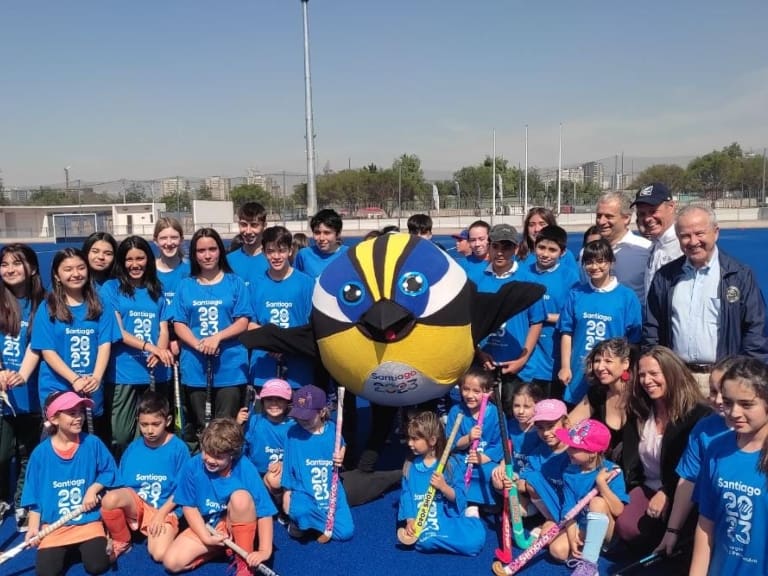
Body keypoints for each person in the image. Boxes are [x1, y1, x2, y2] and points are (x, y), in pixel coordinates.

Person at [644, 204, 768, 393]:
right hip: (678, 381)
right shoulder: (665, 277)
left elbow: (755, 331)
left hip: (724, 382)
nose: (693, 241)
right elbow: (652, 329)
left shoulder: (739, 275)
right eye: (685, 235)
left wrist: (744, 379)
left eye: (700, 233)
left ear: (715, 232)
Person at [614, 346, 711, 552]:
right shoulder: (639, 410)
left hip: (682, 488)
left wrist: (667, 492)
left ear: (671, 373)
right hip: (648, 484)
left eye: (654, 374)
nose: (647, 381)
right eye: (642, 375)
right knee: (628, 528)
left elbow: (696, 469)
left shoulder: (698, 415)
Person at [21, 391, 118, 576]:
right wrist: (34, 527)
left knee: (98, 565)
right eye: (72, 413)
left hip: (87, 522)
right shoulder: (40, 454)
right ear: (55, 419)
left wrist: (94, 488)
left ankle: (100, 538)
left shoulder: (93, 443)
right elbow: (34, 495)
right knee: (46, 572)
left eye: (80, 412)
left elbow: (110, 471)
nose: (79, 418)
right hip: (55, 526)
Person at [162, 418, 276, 576]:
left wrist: (264, 551)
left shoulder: (245, 467)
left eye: (218, 456)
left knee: (241, 498)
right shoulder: (192, 466)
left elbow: (264, 511)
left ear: (232, 455)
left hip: (235, 520)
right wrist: (205, 537)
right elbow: (189, 506)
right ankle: (223, 548)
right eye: (207, 452)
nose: (210, 459)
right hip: (208, 526)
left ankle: (244, 563)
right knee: (172, 563)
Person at [171, 228, 251, 443]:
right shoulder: (185, 285)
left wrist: (217, 338)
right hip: (195, 366)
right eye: (201, 250)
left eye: (212, 249)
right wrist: (198, 344)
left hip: (230, 367)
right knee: (202, 427)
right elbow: (179, 323)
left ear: (220, 251)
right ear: (194, 254)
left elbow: (243, 320)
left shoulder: (235, 282)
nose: (207, 255)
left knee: (225, 426)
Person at [689, 358, 768, 576]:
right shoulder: (717, 449)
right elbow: (706, 525)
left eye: (746, 404)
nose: (734, 412)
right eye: (729, 402)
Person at [655, 355, 737, 556]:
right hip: (708, 517)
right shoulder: (704, 428)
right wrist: (672, 530)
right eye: (713, 391)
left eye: (725, 394)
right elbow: (689, 478)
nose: (718, 400)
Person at [31, 248, 117, 441]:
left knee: (88, 443)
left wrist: (96, 377)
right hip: (57, 387)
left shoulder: (101, 304)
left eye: (80, 268)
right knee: (58, 444)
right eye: (68, 269)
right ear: (57, 275)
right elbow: (48, 351)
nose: (76, 274)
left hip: (90, 388)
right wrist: (74, 379)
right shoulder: (47, 307)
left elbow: (104, 344)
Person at [102, 236, 175, 456]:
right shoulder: (111, 288)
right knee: (122, 434)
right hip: (124, 372)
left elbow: (163, 329)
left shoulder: (156, 289)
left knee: (152, 431)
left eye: (140, 258)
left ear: (148, 259)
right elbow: (119, 331)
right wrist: (151, 348)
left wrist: (160, 351)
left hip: (155, 373)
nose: (135, 264)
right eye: (129, 259)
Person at [100, 391, 190, 563]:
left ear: (168, 421)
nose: (149, 430)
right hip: (138, 507)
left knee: (159, 554)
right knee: (110, 499)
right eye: (144, 424)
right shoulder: (133, 448)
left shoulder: (179, 449)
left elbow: (183, 490)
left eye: (156, 424)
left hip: (165, 510)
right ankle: (122, 539)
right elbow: (122, 488)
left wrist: (160, 515)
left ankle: (172, 534)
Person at [557, 239, 642, 406]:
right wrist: (565, 366)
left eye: (600, 261)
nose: (595, 267)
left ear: (611, 262)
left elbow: (633, 341)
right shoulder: (576, 293)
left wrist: (627, 372)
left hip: (611, 372)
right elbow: (567, 332)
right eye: (589, 262)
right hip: (579, 372)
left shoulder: (627, 296)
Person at [474, 224, 546, 412]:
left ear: (515, 248)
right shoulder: (476, 280)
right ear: (489, 246)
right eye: (496, 246)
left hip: (519, 370)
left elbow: (536, 322)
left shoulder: (529, 281)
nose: (500, 252)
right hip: (485, 366)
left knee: (517, 423)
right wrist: (479, 353)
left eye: (506, 247)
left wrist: (522, 359)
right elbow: (469, 323)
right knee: (486, 424)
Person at [547, 419, 628, 576]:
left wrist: (601, 484)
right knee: (557, 551)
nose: (568, 450)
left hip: (607, 533)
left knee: (597, 502)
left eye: (575, 448)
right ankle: (586, 550)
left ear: (592, 453)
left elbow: (618, 510)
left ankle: (589, 565)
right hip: (582, 527)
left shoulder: (613, 471)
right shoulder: (569, 472)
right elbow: (569, 509)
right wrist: (571, 536)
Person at [0, 244, 44, 530]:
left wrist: (23, 374)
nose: (10, 269)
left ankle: (22, 502)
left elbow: (41, 345)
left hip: (34, 393)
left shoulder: (46, 303)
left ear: (32, 269)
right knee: (3, 452)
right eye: (4, 264)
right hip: (4, 392)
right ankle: (3, 497)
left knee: (29, 450)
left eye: (17, 263)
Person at [398, 411, 485, 556]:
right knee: (424, 542)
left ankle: (472, 518)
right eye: (409, 438)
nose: (409, 443)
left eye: (414, 439)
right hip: (423, 520)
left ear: (432, 441)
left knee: (474, 544)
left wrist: (444, 487)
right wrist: (410, 520)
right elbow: (406, 496)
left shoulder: (450, 465)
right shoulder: (410, 466)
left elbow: (460, 496)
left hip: (445, 517)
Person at [281, 385, 354, 541]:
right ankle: (301, 521)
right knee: (300, 510)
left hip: (331, 491)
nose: (301, 420)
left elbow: (342, 445)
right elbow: (288, 465)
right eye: (299, 416)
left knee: (346, 533)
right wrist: (287, 493)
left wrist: (341, 454)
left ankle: (311, 523)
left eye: (307, 417)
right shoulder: (293, 433)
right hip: (304, 492)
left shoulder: (333, 429)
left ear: (322, 412)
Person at [248, 226, 314, 389]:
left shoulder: (306, 283)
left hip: (298, 372)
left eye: (281, 251)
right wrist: (271, 344)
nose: (276, 256)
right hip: (264, 370)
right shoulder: (255, 284)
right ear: (264, 252)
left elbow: (311, 325)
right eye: (270, 251)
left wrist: (286, 345)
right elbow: (249, 323)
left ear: (290, 251)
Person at [522, 225, 580, 398]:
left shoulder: (569, 277)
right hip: (527, 354)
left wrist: (543, 316)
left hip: (553, 353)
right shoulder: (523, 272)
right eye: (541, 248)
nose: (545, 254)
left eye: (552, 250)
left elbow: (573, 317)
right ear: (534, 247)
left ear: (562, 253)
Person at [492, 399, 572, 523]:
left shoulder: (577, 451)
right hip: (554, 504)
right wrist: (512, 480)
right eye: (540, 428)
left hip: (574, 507)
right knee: (527, 481)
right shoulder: (538, 452)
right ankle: (550, 519)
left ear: (566, 423)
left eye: (551, 426)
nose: (546, 433)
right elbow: (525, 478)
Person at [569, 338, 634, 460]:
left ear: (625, 363)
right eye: (597, 361)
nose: (600, 367)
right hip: (604, 464)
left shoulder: (639, 394)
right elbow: (569, 423)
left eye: (608, 361)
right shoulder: (597, 393)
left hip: (638, 470)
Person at [445, 368, 501, 509]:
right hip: (461, 458)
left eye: (476, 391)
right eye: (466, 389)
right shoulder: (456, 411)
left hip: (485, 459)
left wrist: (483, 457)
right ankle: (462, 500)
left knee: (493, 474)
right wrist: (468, 438)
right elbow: (450, 443)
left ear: (488, 393)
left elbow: (500, 444)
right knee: (450, 471)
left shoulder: (495, 413)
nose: (470, 395)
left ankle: (486, 501)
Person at [238, 378, 293, 500]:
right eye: (269, 400)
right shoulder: (254, 420)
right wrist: (237, 425)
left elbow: (299, 453)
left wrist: (284, 463)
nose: (274, 404)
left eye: (279, 399)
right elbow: (241, 446)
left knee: (274, 480)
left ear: (287, 402)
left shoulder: (293, 425)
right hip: (255, 472)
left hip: (280, 474)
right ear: (262, 402)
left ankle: (281, 507)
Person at [594, 191, 651, 303]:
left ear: (626, 218)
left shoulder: (647, 250)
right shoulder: (586, 253)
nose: (601, 221)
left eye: (608, 216)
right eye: (599, 216)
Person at [629, 183, 682, 299]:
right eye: (642, 214)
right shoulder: (657, 243)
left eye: (653, 211)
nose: (647, 219)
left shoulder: (682, 246)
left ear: (671, 207)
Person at [518, 207, 578, 271]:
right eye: (531, 225)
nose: (536, 229)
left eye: (542, 224)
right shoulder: (518, 253)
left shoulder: (566, 256)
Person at [294, 208, 349, 278]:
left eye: (327, 233)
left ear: (338, 233)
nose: (321, 238)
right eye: (317, 233)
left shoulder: (349, 255)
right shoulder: (304, 255)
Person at [505, 381, 546, 474]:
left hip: (531, 475)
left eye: (527, 407)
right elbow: (504, 452)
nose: (521, 411)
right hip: (510, 472)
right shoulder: (508, 426)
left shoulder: (542, 431)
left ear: (538, 405)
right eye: (516, 406)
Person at [226, 202, 269, 287]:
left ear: (264, 226)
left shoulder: (274, 260)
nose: (248, 231)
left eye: (254, 225)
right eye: (244, 225)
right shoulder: (228, 260)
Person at [153, 217, 190, 308]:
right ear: (155, 241)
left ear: (181, 240)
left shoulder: (191, 270)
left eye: (174, 237)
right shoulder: (148, 271)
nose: (169, 243)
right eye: (163, 238)